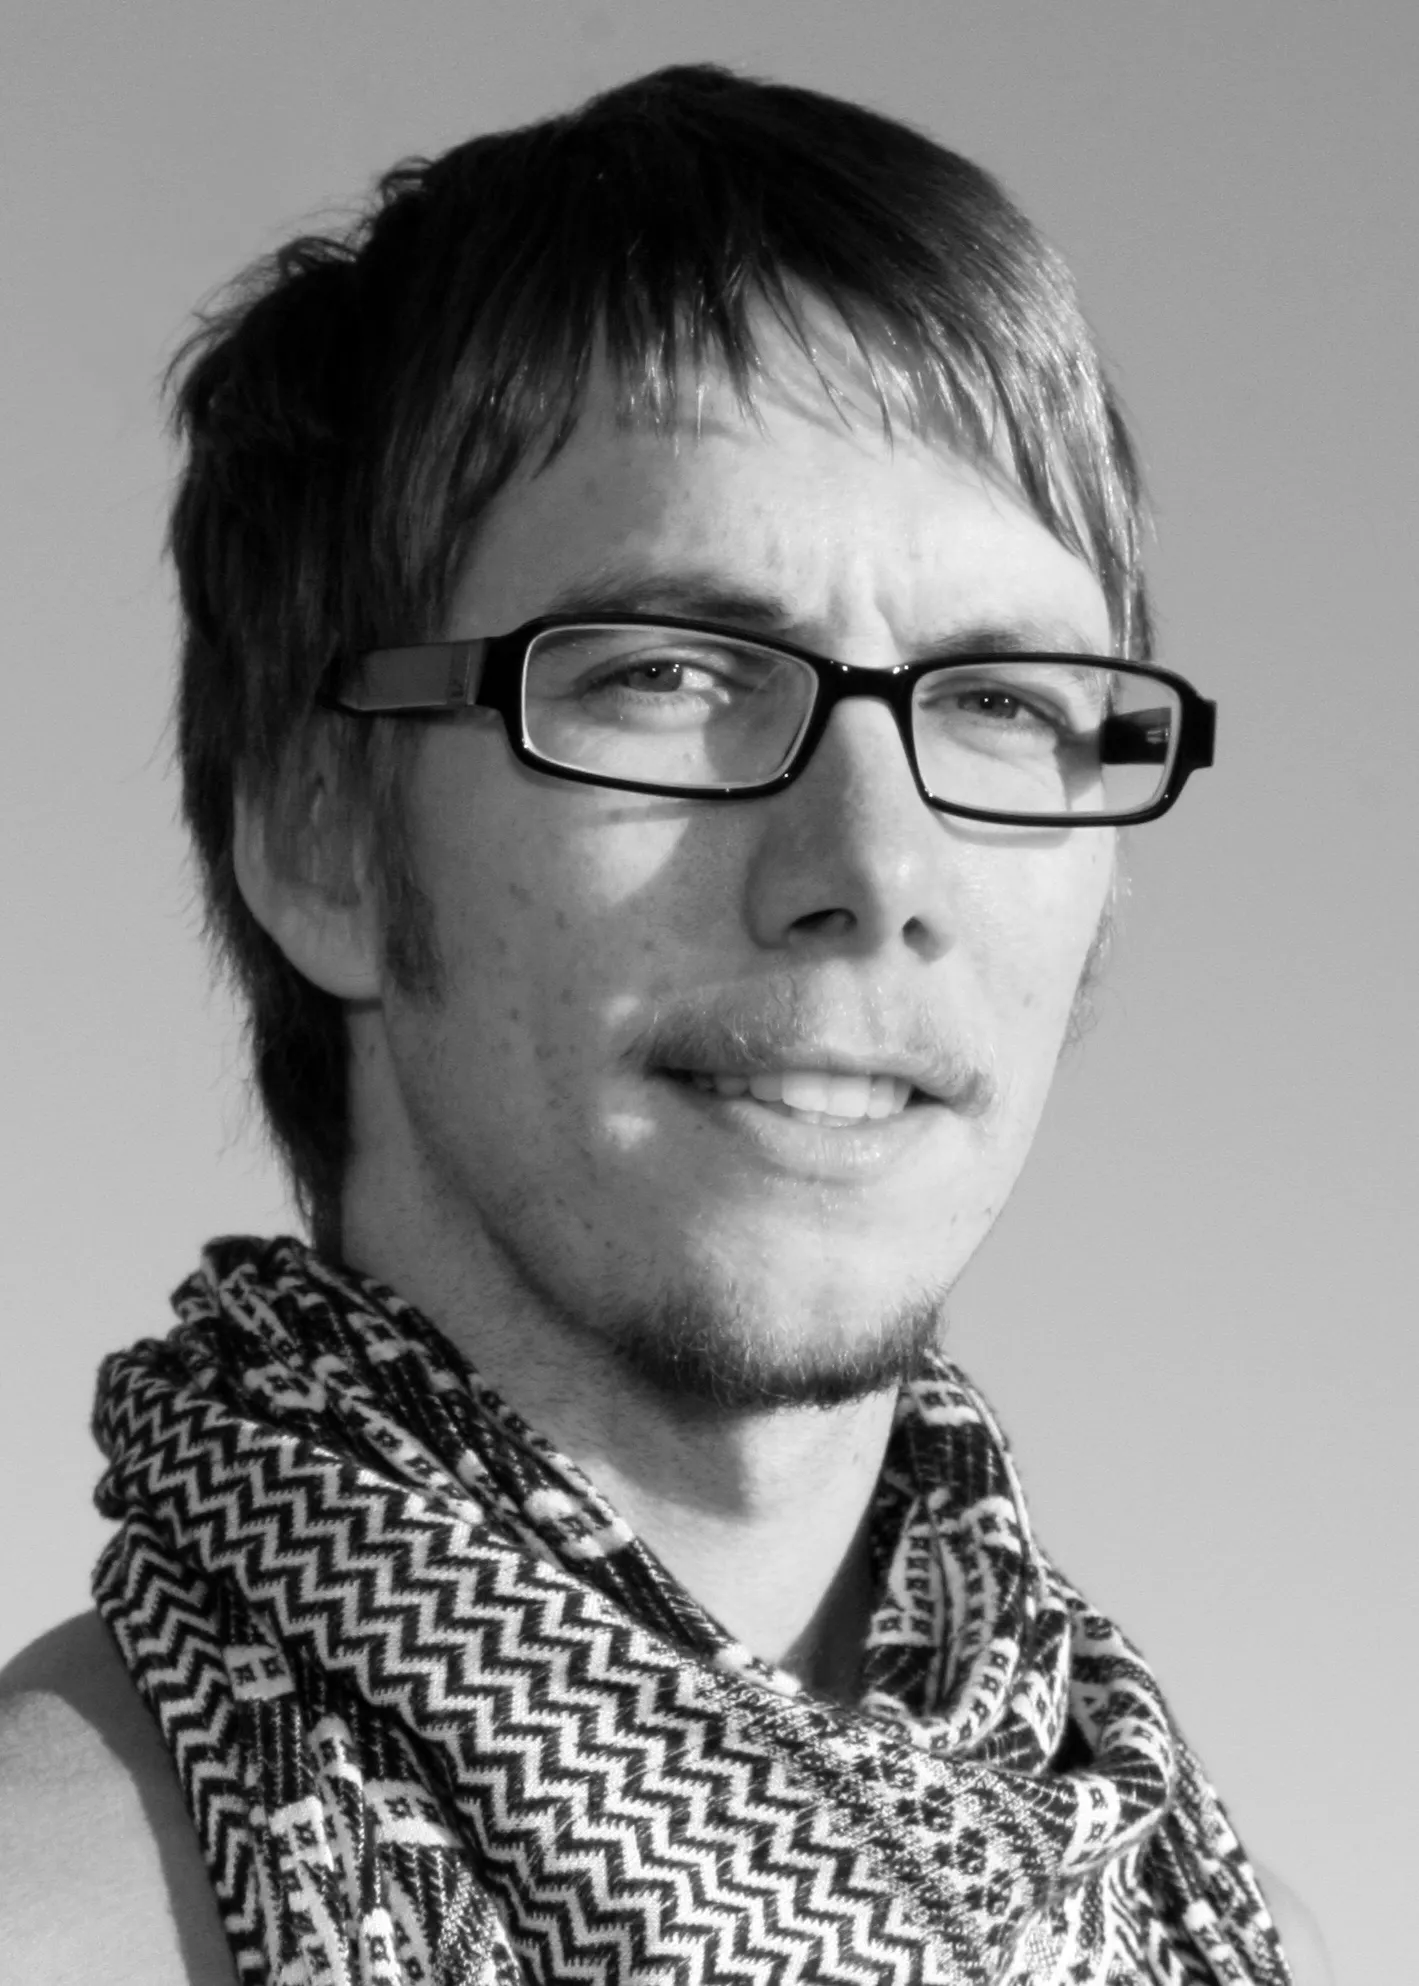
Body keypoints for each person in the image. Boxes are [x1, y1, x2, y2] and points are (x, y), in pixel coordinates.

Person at [0, 64, 1331, 1986]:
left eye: (1002, 703)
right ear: (323, 838)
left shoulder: (1203, 1920)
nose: (875, 861)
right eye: (666, 673)